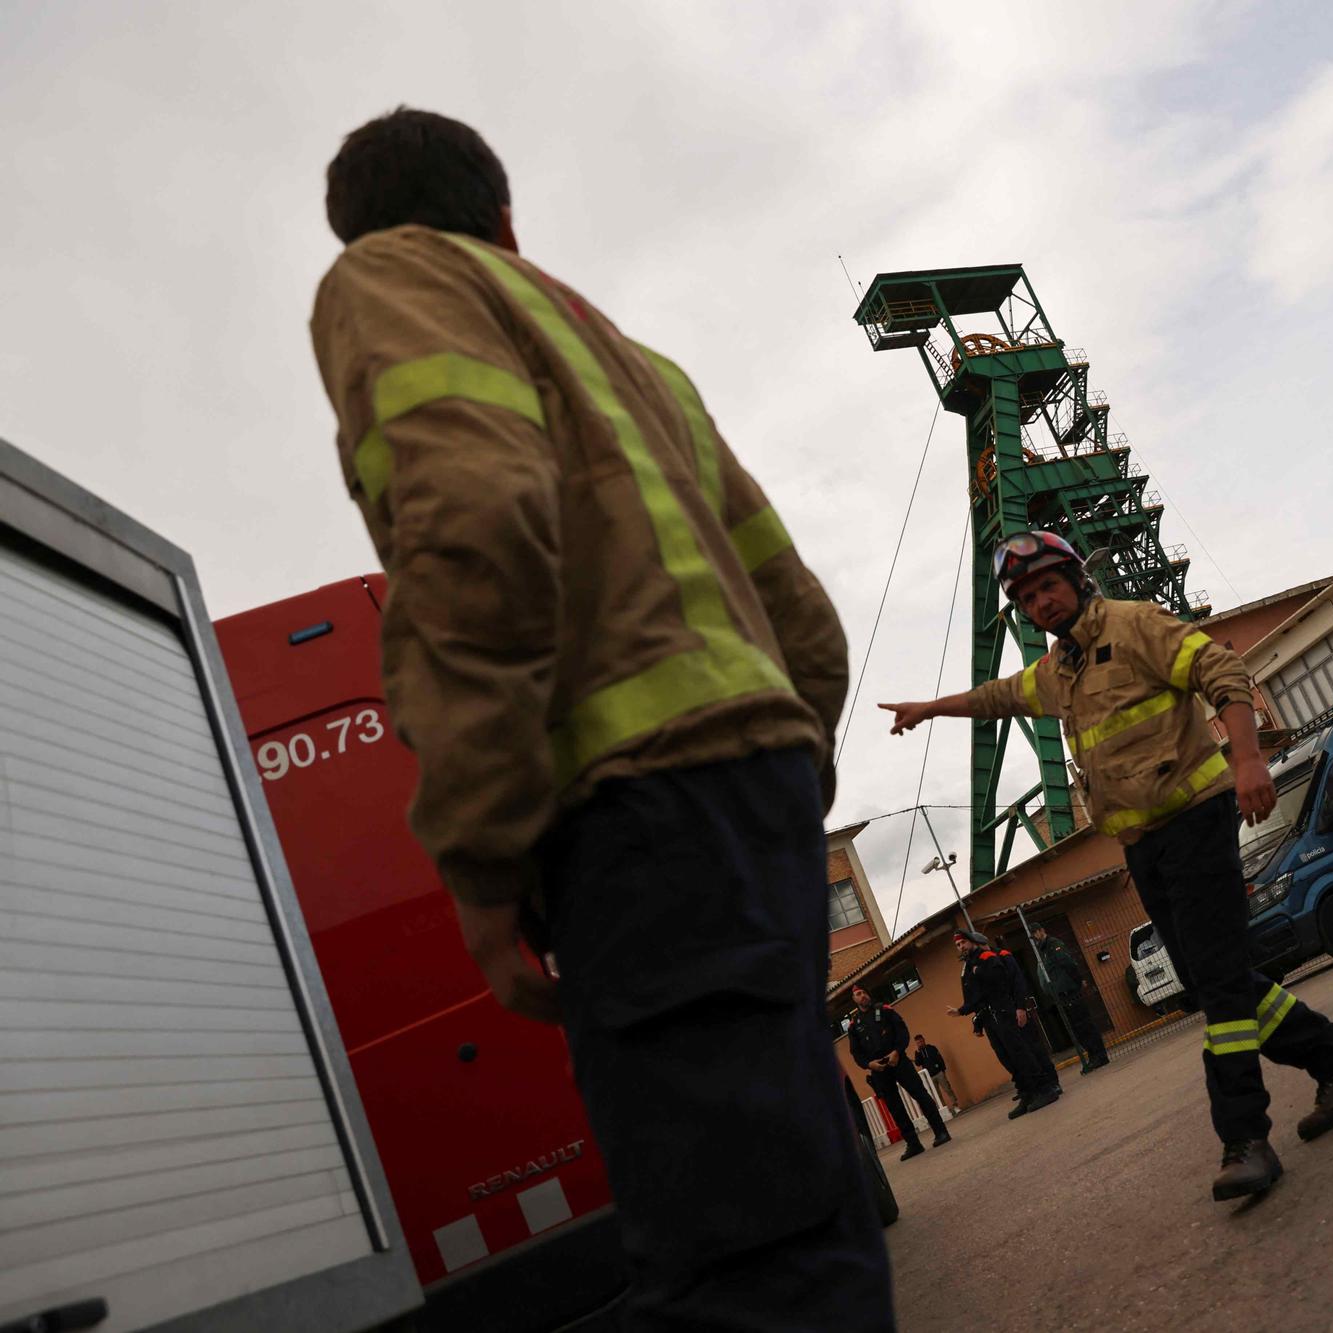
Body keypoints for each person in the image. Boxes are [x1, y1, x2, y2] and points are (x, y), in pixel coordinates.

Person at [311, 109, 889, 1329]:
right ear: (508, 219)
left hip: (638, 817)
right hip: (754, 791)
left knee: (737, 1258)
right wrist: (783, 784)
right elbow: (805, 625)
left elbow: (472, 523)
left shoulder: (388, 277)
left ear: (360, 230)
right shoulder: (634, 361)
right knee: (799, 1211)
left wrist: (480, 849)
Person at [884, 532, 1333, 1202]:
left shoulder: (1134, 624)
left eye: (1047, 585)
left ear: (1074, 578)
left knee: (1218, 987)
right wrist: (929, 709)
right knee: (1219, 981)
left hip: (1197, 818)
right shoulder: (1058, 671)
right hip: (1142, 840)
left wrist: (1246, 758)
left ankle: (1245, 1137)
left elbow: (1225, 675)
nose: (1040, 601)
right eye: (1026, 597)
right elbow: (998, 696)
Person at [947, 930, 1060, 1118]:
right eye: (958, 945)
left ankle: (1047, 1086)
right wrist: (975, 1020)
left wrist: (1020, 1007)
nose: (961, 948)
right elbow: (977, 997)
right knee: (1009, 1056)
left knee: (1029, 1050)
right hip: (993, 1016)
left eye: (963, 943)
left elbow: (1012, 984)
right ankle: (1028, 1092)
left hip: (1009, 1011)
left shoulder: (994, 958)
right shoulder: (969, 965)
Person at [847, 987, 951, 1160]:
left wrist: (897, 1051)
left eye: (865, 992)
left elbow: (902, 1031)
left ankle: (941, 1132)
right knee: (895, 1108)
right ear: (854, 999)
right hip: (878, 1070)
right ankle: (913, 1144)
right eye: (858, 994)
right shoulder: (853, 1025)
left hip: (898, 1060)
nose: (863, 995)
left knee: (920, 1095)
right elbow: (855, 1052)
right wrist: (869, 1064)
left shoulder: (885, 1010)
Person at [1031, 923, 1109, 1072]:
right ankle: (1093, 1056)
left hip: (1071, 992)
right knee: (1077, 1028)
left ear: (1042, 931)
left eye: (1035, 933)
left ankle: (1099, 1055)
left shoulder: (1054, 945)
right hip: (1062, 995)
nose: (1035, 937)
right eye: (1032, 935)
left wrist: (1078, 981)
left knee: (1085, 1025)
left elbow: (1068, 964)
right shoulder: (1043, 951)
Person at [910, 1034, 960, 1112]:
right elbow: (918, 1063)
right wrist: (917, 1052)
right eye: (918, 1042)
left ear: (924, 1040)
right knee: (937, 1094)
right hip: (929, 1076)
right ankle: (945, 1109)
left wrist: (943, 1070)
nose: (920, 1043)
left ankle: (955, 1106)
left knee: (947, 1089)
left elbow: (940, 1059)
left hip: (939, 1073)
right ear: (916, 1044)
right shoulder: (918, 1053)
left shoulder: (931, 1048)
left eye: (921, 1041)